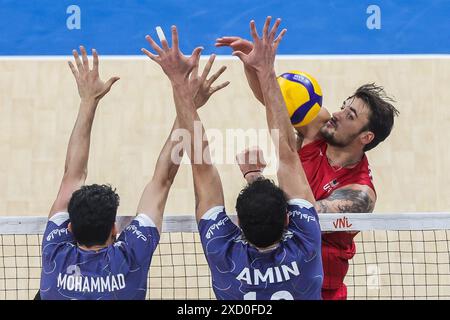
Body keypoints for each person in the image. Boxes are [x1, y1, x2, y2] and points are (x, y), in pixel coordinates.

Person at [142, 19, 323, 300]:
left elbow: (201, 167)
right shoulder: (307, 244)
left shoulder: (224, 253)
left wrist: (180, 84)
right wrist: (266, 70)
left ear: (237, 225)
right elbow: (288, 153)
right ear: (289, 220)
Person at [216, 35, 400, 300]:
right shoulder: (322, 129)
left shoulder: (358, 194)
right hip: (277, 271)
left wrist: (253, 176)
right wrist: (256, 68)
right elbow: (277, 105)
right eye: (343, 107)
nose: (336, 114)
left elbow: (294, 218)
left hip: (320, 290)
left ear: (366, 137)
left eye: (350, 116)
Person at [39, 45, 227, 299]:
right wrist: (188, 102)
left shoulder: (56, 254)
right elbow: (162, 180)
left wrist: (88, 100)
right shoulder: (131, 255)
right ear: (115, 231)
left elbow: (72, 176)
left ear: (69, 228)